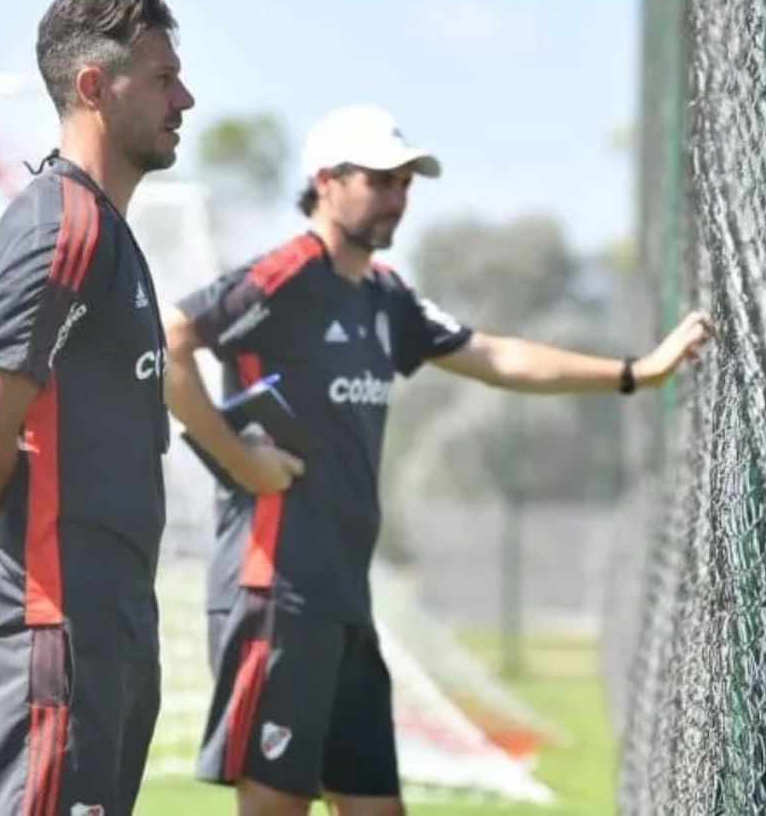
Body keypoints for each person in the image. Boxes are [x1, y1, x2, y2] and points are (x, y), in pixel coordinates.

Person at [164, 104, 711, 816]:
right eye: (382, 180)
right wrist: (238, 458)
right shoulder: (286, 275)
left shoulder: (388, 297)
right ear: (327, 182)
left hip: (345, 597)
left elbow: (496, 356)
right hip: (276, 590)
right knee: (275, 807)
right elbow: (172, 335)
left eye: (405, 183)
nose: (398, 197)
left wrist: (639, 370)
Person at [0, 0, 194, 814]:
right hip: (52, 630)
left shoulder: (105, 229)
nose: (186, 97)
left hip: (104, 629)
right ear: (96, 87)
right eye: (163, 76)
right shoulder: (62, 230)